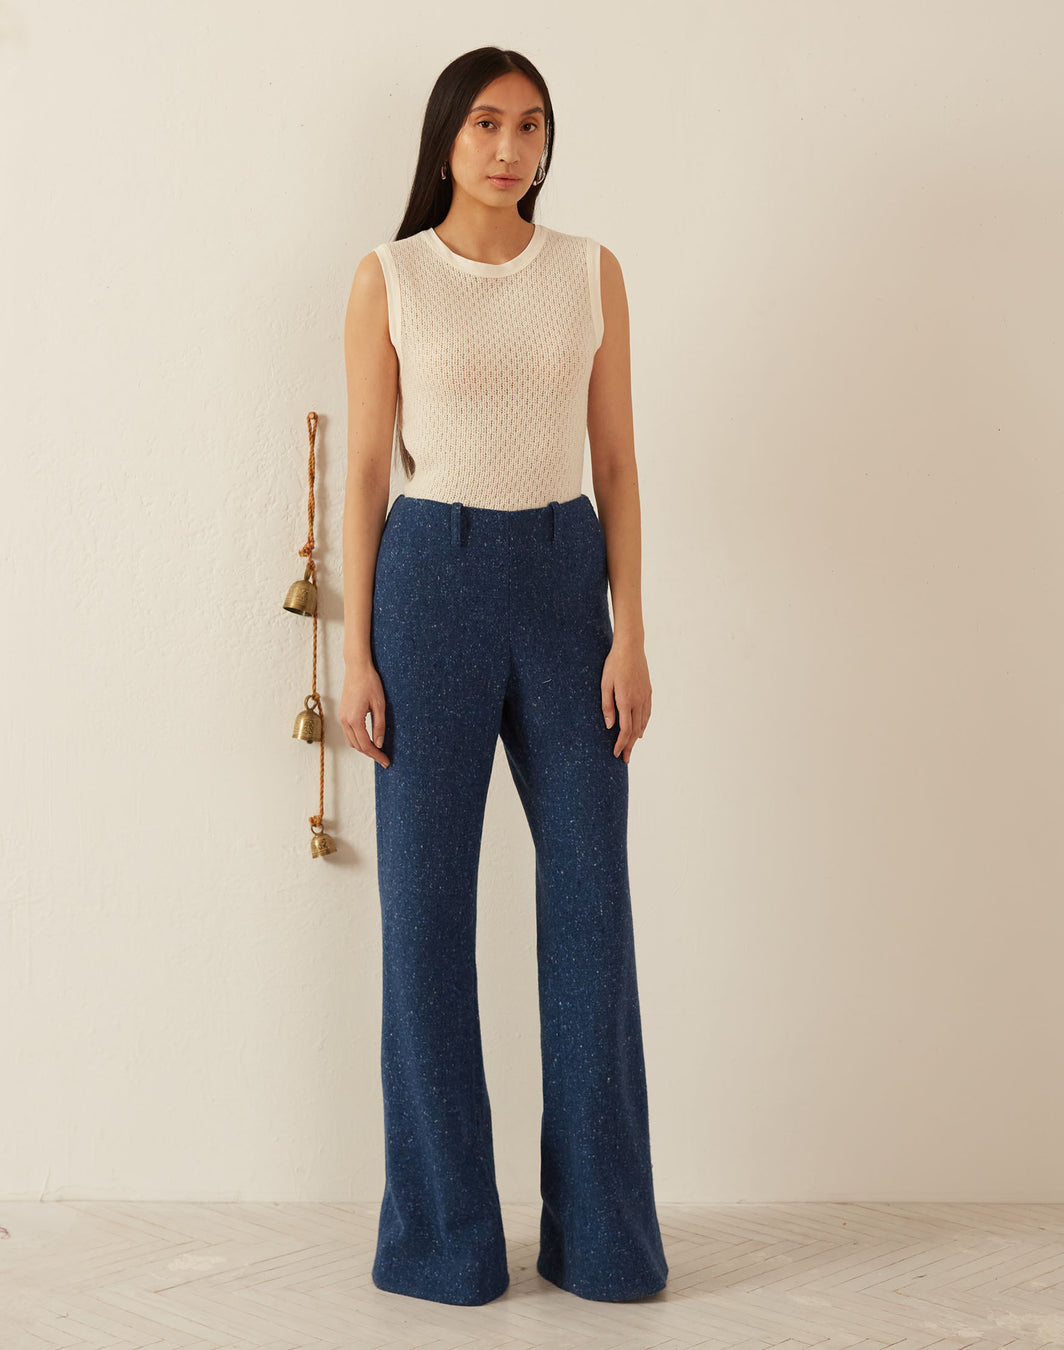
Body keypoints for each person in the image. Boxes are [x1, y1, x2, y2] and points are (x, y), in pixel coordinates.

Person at [337, 45, 668, 1308]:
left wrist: (629, 631)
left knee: (591, 909)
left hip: (562, 572)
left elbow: (621, 461)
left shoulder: (590, 272)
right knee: (423, 921)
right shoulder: (391, 277)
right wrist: (355, 648)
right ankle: (444, 1243)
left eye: (530, 126)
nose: (509, 148)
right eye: (486, 123)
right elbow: (367, 472)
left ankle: (606, 1245)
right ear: (445, 138)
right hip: (430, 579)